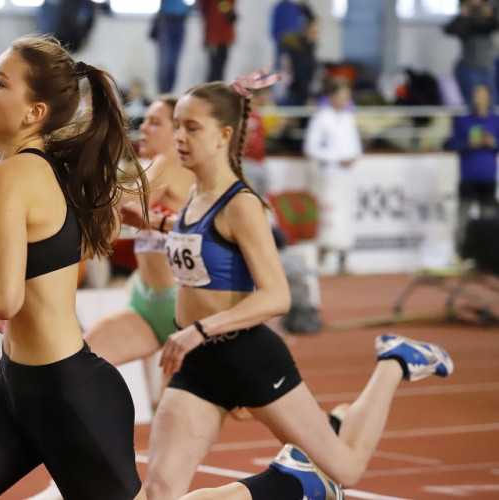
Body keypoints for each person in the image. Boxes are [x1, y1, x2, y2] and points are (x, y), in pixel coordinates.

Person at [119, 76, 454, 500]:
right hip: (198, 364)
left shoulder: (242, 204)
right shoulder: (196, 197)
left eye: (191, 128)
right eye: (178, 126)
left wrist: (199, 330)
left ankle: (394, 362)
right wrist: (155, 222)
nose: (179, 138)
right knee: (159, 493)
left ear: (223, 135)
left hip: (247, 356)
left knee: (345, 469)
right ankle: (290, 481)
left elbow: (277, 296)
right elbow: (204, 242)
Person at [0, 34, 150, 500]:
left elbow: (3, 297)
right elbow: (39, 270)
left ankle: (279, 485)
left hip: (68, 399)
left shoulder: (7, 176)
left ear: (33, 112)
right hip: (17, 391)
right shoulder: (49, 168)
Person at [23, 94, 195, 500]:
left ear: (179, 132)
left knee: (179, 424)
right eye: (145, 120)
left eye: (156, 122)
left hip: (185, 311)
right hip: (147, 304)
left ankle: (310, 459)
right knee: (78, 371)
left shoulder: (169, 165)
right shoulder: (150, 168)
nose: (145, 128)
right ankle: (64, 485)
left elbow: (116, 203)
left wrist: (82, 143)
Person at [303, 80, 362, 275]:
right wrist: (336, 159)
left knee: (346, 215)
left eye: (348, 96)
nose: (346, 100)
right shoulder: (322, 118)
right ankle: (322, 259)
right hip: (329, 175)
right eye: (342, 95)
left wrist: (352, 157)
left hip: (347, 175)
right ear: (332, 96)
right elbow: (311, 148)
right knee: (328, 215)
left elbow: (356, 145)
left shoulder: (349, 117)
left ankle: (343, 260)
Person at [445, 83, 499, 255]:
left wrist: (492, 142)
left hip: (488, 178)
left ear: (489, 98)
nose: (479, 99)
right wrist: (468, 144)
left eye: (482, 95)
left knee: (489, 221)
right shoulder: (464, 121)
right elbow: (451, 144)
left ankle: (487, 256)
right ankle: (459, 255)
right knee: (463, 220)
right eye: (476, 95)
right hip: (468, 177)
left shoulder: (495, 121)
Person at [443, 0, 498, 110]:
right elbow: (449, 29)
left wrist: (489, 13)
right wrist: (464, 16)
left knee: (491, 104)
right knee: (472, 105)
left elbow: (493, 24)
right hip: (469, 67)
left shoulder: (487, 22)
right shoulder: (466, 23)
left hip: (487, 67)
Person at [153, 0, 190, 93]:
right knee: (166, 62)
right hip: (167, 19)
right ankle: (164, 92)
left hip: (181, 20)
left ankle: (169, 92)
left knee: (174, 62)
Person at [199, 0, 237, 83]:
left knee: (217, 69)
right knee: (215, 70)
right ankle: (213, 89)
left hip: (220, 36)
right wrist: (227, 10)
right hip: (216, 36)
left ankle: (214, 89)